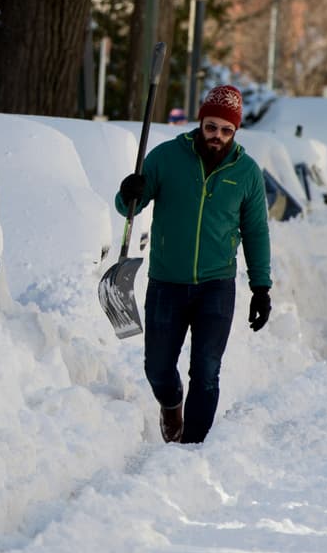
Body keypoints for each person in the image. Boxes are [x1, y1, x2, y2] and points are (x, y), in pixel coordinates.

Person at [115, 85, 272, 444]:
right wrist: (130, 191)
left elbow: (256, 232)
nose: (217, 136)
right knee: (157, 368)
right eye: (211, 127)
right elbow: (128, 209)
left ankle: (192, 449)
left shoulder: (246, 172)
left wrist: (261, 288)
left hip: (216, 285)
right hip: (166, 282)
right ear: (201, 122)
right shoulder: (166, 158)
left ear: (236, 131)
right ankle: (171, 405)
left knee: (206, 371)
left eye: (226, 130)